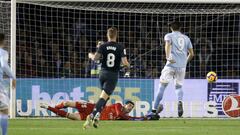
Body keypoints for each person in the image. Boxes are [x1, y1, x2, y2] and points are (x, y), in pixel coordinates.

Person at [85, 27, 130, 128]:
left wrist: (90, 55)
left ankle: (97, 116)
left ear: (107, 35)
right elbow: (125, 63)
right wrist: (128, 66)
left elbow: (95, 58)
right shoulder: (120, 47)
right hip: (112, 76)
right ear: (116, 35)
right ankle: (92, 115)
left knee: (105, 97)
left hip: (102, 74)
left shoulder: (103, 46)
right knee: (103, 98)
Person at [152, 22, 194, 117]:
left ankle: (154, 110)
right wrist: (185, 62)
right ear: (180, 28)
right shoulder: (186, 38)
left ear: (171, 28)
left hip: (171, 65)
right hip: (181, 67)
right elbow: (191, 54)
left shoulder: (169, 35)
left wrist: (168, 57)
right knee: (178, 87)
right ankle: (179, 101)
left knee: (162, 87)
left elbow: (167, 45)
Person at [40, 100, 152, 122]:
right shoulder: (118, 106)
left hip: (92, 117)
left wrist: (142, 118)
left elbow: (127, 118)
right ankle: (54, 107)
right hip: (92, 108)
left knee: (70, 116)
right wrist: (138, 119)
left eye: (131, 108)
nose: (130, 108)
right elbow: (120, 114)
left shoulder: (123, 117)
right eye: (129, 106)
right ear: (125, 104)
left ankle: (48, 108)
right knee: (66, 103)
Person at [0, 33, 16, 135]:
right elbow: (4, 65)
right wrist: (13, 77)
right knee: (4, 110)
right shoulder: (3, 53)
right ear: (3, 41)